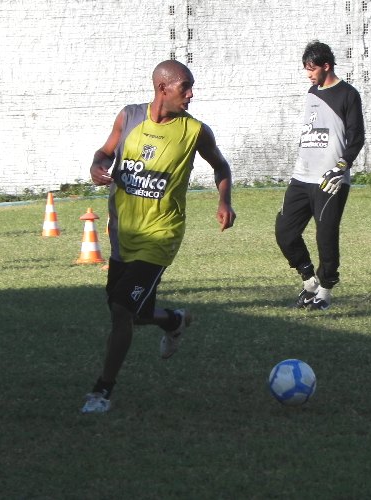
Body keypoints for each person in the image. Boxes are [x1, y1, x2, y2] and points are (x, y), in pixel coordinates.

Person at [81, 60, 236, 414]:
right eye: (185, 87)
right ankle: (173, 320)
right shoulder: (129, 117)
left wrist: (224, 200)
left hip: (160, 236)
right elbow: (104, 153)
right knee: (132, 313)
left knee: (122, 309)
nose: (191, 94)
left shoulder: (195, 131)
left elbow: (221, 166)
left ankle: (102, 390)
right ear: (162, 88)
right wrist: (96, 167)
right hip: (123, 233)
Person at [275, 41, 365, 311]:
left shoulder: (348, 94)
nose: (308, 74)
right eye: (306, 69)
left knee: (325, 235)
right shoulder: (311, 92)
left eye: (311, 68)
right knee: (285, 231)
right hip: (301, 177)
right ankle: (308, 279)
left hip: (330, 179)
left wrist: (341, 166)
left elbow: (356, 137)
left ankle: (324, 291)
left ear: (327, 66)